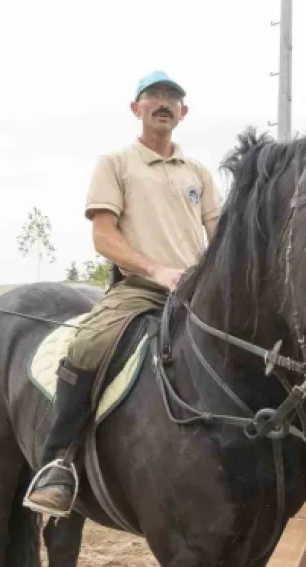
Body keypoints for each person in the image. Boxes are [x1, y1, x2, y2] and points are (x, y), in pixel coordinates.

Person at [23, 70, 223, 517]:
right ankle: (58, 461)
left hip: (195, 294)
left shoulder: (198, 173)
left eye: (172, 98)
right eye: (154, 97)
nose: (164, 103)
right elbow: (104, 238)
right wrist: (156, 269)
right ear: (137, 109)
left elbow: (219, 233)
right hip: (140, 289)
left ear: (184, 112)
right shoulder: (116, 164)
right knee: (87, 344)